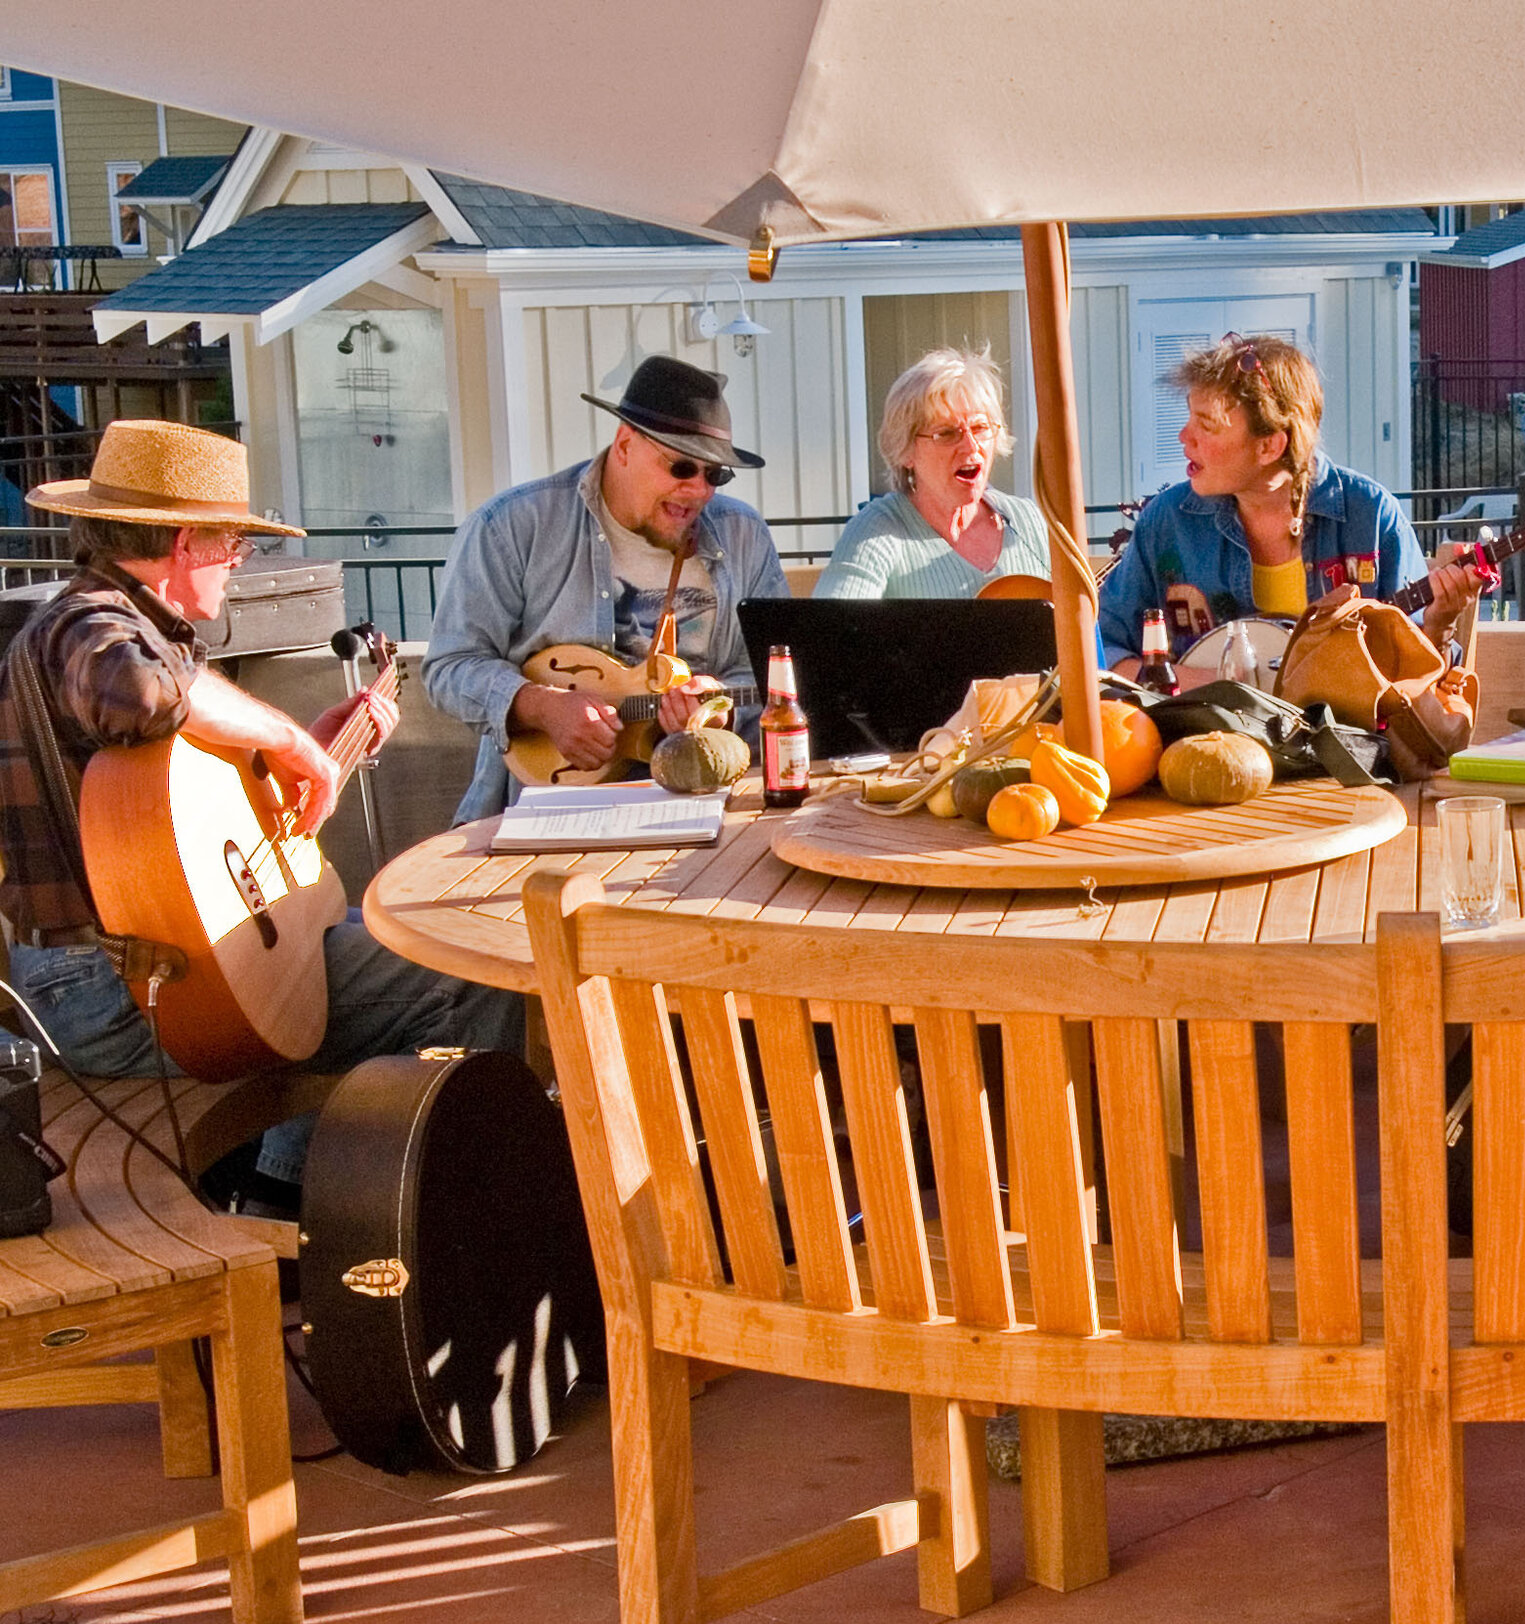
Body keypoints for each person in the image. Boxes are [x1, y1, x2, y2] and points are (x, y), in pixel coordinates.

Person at [0, 420, 523, 1206]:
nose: (239, 563)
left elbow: (160, 818)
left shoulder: (139, 628)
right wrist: (284, 735)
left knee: (360, 930)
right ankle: (463, 1225)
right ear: (188, 541)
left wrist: (301, 760)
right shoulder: (88, 622)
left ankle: (286, 1191)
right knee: (470, 969)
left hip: (134, 964)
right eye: (234, 545)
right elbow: (139, 695)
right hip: (104, 989)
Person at [425, 356, 787, 823]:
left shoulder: (745, 534)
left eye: (715, 474)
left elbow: (768, 672)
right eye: (681, 467)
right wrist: (542, 706)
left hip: (706, 804)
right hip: (548, 809)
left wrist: (720, 707)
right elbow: (449, 667)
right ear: (623, 445)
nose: (699, 490)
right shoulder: (510, 526)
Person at [1093, 334, 1480, 668]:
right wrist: (1211, 684)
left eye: (1206, 425)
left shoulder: (1372, 517)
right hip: (1200, 744)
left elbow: (1415, 677)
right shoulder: (1167, 521)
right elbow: (1100, 650)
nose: (1183, 436)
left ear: (1269, 446)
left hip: (1345, 749)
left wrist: (1440, 624)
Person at [818, 347, 1050, 599]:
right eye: (947, 433)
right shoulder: (878, 531)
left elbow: (1083, 626)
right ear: (906, 450)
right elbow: (832, 632)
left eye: (980, 428)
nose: (971, 446)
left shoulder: (1027, 521)